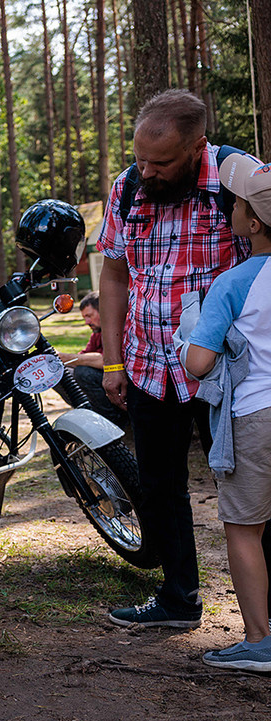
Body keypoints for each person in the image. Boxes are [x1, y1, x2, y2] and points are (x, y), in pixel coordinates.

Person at [98, 90, 249, 628]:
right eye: (140, 159)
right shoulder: (127, 188)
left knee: (247, 488)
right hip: (149, 365)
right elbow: (114, 275)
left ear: (196, 147)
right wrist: (112, 362)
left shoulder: (236, 181)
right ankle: (178, 598)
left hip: (224, 372)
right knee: (160, 486)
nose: (147, 172)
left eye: (160, 163)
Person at [183, 153, 271, 671]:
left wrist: (190, 339)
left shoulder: (233, 282)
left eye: (236, 203)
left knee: (244, 529)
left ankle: (259, 642)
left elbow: (198, 363)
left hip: (255, 416)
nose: (229, 207)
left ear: (253, 224)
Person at [56, 292, 128, 427]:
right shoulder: (97, 333)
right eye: (84, 317)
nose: (87, 322)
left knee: (84, 373)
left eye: (89, 316)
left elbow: (107, 361)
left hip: (123, 383)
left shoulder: (123, 328)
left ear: (104, 311)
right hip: (107, 381)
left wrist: (64, 357)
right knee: (58, 374)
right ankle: (89, 412)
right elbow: (84, 356)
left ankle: (113, 420)